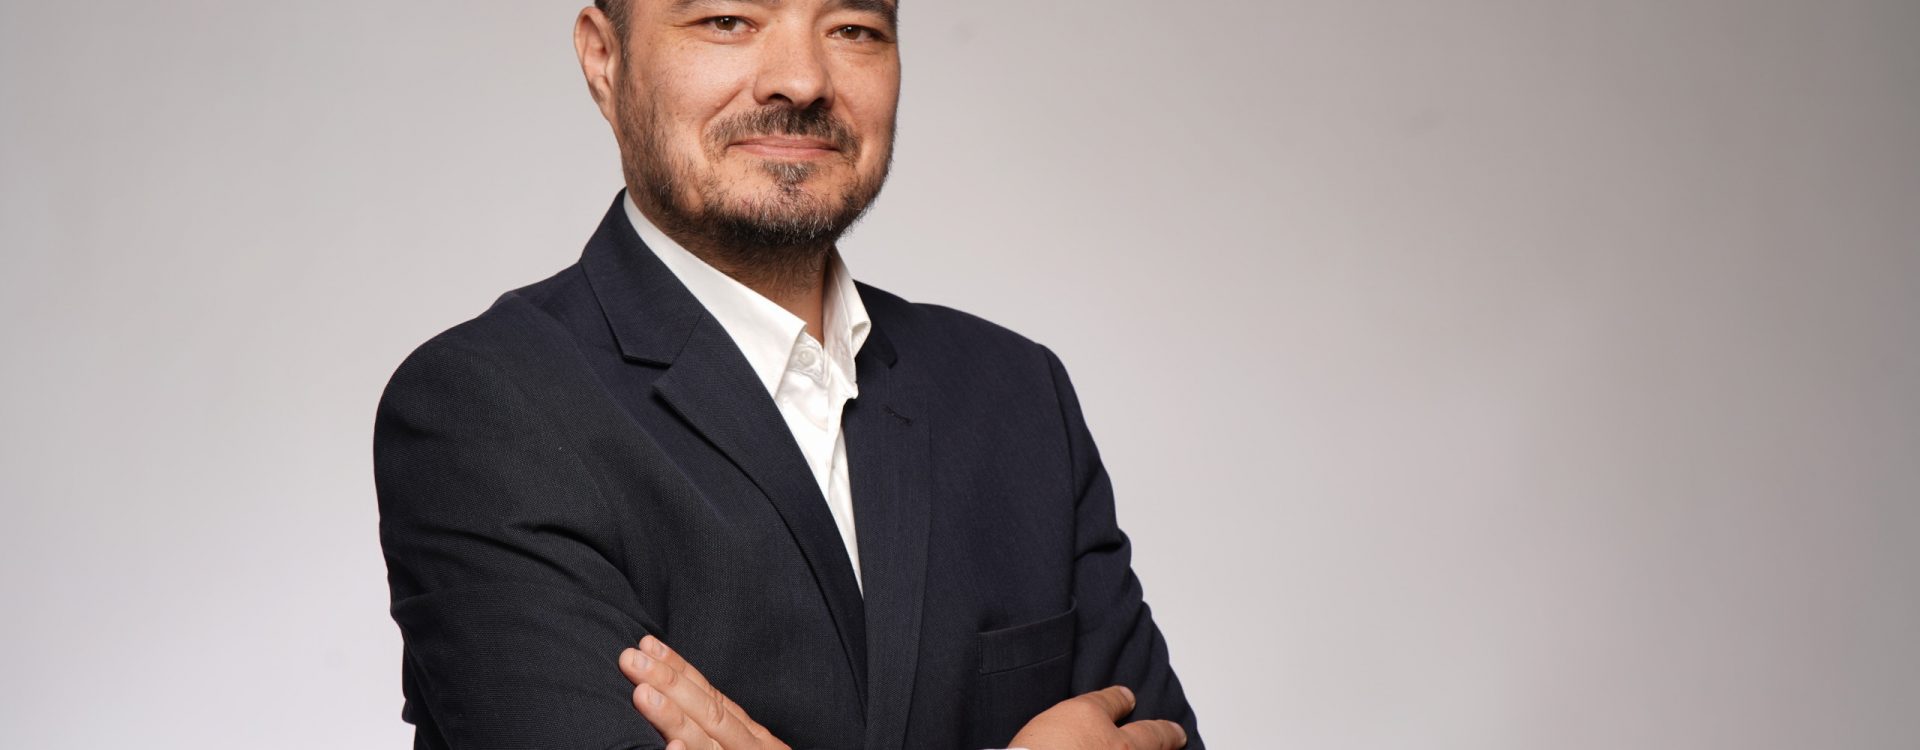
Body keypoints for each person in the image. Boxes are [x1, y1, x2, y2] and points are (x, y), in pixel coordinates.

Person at [372, 1, 1202, 747]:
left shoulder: (1017, 394)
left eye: (854, 29)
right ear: (604, 56)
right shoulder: (484, 408)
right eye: (728, 20)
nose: (802, 80)